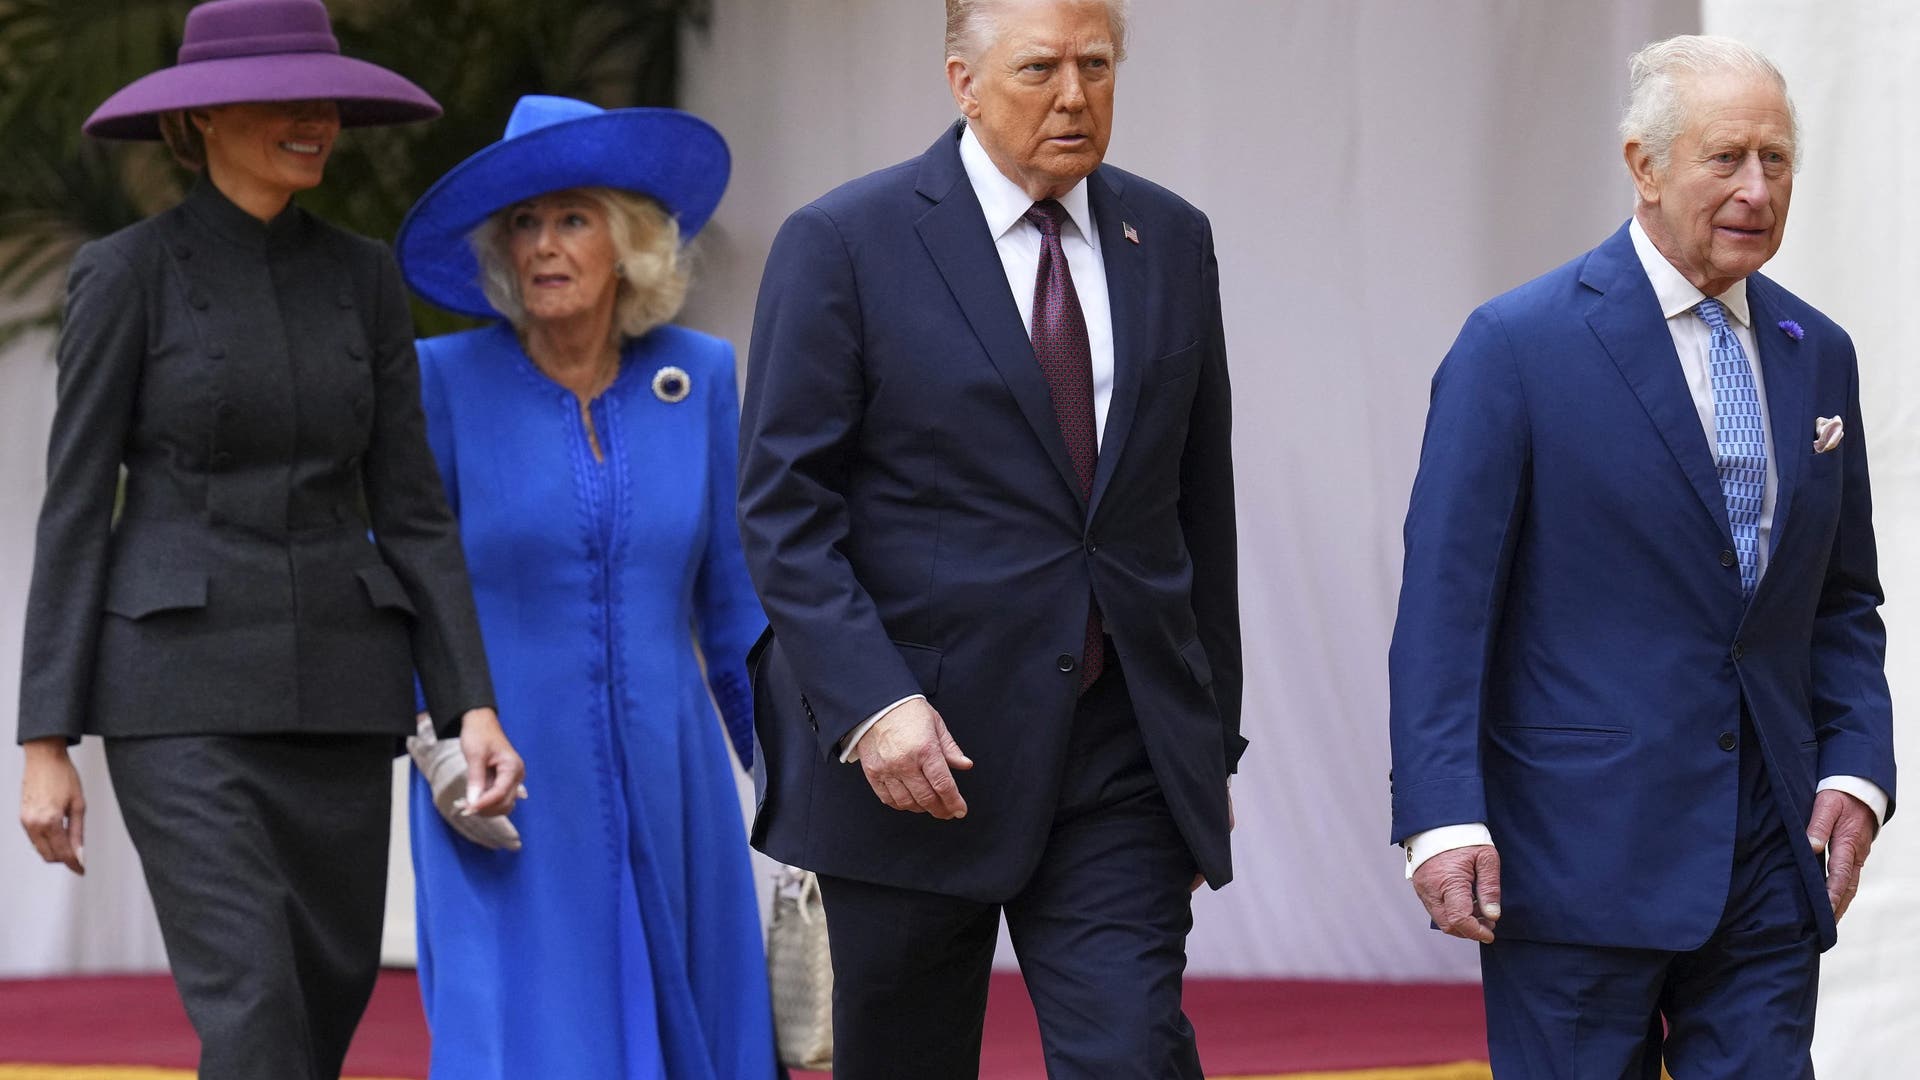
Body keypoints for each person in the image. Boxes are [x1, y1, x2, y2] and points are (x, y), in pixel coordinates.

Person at [12, 2, 523, 1077]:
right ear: (199, 121)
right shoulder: (125, 273)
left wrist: (468, 699)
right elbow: (74, 507)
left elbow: (415, 506)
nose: (315, 119)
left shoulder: (364, 276)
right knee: (253, 1009)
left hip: (343, 695)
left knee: (320, 1006)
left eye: (325, 98)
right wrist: (45, 741)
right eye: (284, 99)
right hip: (178, 699)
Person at [737, 0, 1241, 1075]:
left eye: (1096, 65)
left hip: (1116, 748)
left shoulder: (1172, 238)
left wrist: (1208, 742)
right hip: (917, 757)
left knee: (1134, 1052)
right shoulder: (845, 243)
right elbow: (784, 507)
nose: (1074, 95)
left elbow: (1198, 510)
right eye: (1040, 69)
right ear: (963, 83)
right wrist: (873, 704)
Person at [1388, 34, 1895, 1079]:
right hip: (1573, 860)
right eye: (1726, 158)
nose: (1757, 188)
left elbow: (1840, 601)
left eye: (1777, 158)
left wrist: (1856, 767)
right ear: (1644, 166)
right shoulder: (1517, 346)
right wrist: (1439, 819)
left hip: (1769, 855)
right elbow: (1447, 609)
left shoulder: (1820, 352)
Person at [393, 94, 775, 1079]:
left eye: (572, 219)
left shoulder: (697, 377)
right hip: (503, 780)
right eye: (523, 223)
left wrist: (789, 790)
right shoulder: (441, 380)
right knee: (524, 1037)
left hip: (675, 773)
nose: (543, 246)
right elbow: (398, 581)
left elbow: (734, 610)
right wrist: (435, 740)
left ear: (631, 242)